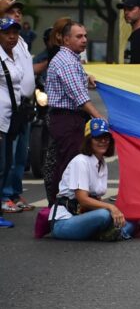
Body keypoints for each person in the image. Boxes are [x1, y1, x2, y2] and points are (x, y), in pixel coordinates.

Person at [44, 21, 105, 204]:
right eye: (79, 36)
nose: (84, 40)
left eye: (85, 36)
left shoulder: (70, 59)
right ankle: (62, 206)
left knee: (66, 161)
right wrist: (98, 116)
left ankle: (66, 205)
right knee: (70, 164)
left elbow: (74, 85)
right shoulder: (67, 62)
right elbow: (79, 96)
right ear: (66, 39)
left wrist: (87, 78)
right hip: (67, 118)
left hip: (67, 118)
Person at [47, 118, 137, 241]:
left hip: (84, 216)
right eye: (98, 138)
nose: (103, 141)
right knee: (104, 215)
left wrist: (116, 212)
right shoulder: (80, 161)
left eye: (106, 137)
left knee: (132, 220)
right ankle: (111, 234)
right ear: (89, 141)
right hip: (64, 222)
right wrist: (112, 208)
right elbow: (83, 200)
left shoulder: (102, 163)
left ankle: (111, 233)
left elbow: (96, 197)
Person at [1, 17, 36, 218]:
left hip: (13, 117)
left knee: (9, 163)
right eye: (7, 33)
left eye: (15, 32)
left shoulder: (15, 53)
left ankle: (9, 197)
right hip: (1, 119)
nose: (12, 37)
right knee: (3, 165)